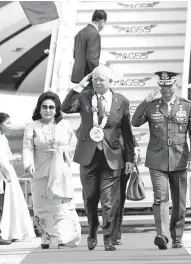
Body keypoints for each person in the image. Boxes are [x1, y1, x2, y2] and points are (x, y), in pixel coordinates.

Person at [61, 65, 134, 251]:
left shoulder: (121, 101)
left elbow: (127, 132)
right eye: (94, 79)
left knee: (109, 200)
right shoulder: (84, 97)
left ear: (110, 81)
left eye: (101, 79)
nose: (97, 82)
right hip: (88, 155)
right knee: (91, 197)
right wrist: (79, 86)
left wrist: (129, 159)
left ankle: (108, 238)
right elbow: (66, 107)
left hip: (113, 156)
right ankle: (93, 228)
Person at [131, 71, 191, 250]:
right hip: (157, 159)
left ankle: (177, 236)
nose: (166, 89)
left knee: (179, 201)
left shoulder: (187, 106)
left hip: (180, 159)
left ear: (175, 86)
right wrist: (145, 101)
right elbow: (135, 122)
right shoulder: (152, 105)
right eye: (162, 86)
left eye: (169, 86)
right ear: (159, 87)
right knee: (160, 198)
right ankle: (162, 235)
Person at [23, 91, 81, 249]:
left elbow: (73, 144)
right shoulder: (32, 126)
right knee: (42, 204)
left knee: (60, 203)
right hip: (40, 170)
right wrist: (28, 164)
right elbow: (27, 147)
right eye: (44, 107)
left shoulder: (65, 125)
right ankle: (45, 235)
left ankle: (61, 235)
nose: (48, 110)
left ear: (56, 110)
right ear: (39, 108)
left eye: (51, 107)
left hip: (60, 170)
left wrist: (62, 151)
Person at [0, 112, 35, 241]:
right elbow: (1, 157)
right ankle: (8, 230)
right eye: (7, 123)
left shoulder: (1, 137)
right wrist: (13, 158)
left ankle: (10, 230)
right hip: (6, 173)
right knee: (9, 201)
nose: (10, 126)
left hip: (8, 171)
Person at [116, 135, 141, 245]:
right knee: (108, 200)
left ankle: (115, 233)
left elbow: (134, 145)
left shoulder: (123, 125)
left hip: (122, 169)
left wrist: (135, 154)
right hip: (104, 168)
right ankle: (111, 232)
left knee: (119, 200)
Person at [71, 10, 107, 84]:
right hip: (88, 77)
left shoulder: (80, 33)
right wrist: (99, 76)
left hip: (78, 77)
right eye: (105, 23)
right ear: (102, 21)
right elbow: (92, 59)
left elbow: (75, 55)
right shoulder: (94, 34)